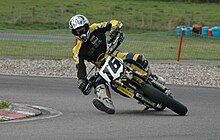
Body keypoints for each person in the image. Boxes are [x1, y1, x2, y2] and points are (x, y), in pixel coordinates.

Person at [69, 14, 164, 114]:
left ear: (87, 26)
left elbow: (114, 23)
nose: (81, 33)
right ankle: (105, 101)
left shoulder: (95, 28)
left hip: (113, 53)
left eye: (82, 30)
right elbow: (80, 67)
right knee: (97, 82)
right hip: (101, 66)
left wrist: (114, 28)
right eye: (78, 32)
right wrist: (82, 81)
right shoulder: (77, 50)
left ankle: (152, 77)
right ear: (74, 33)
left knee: (139, 58)